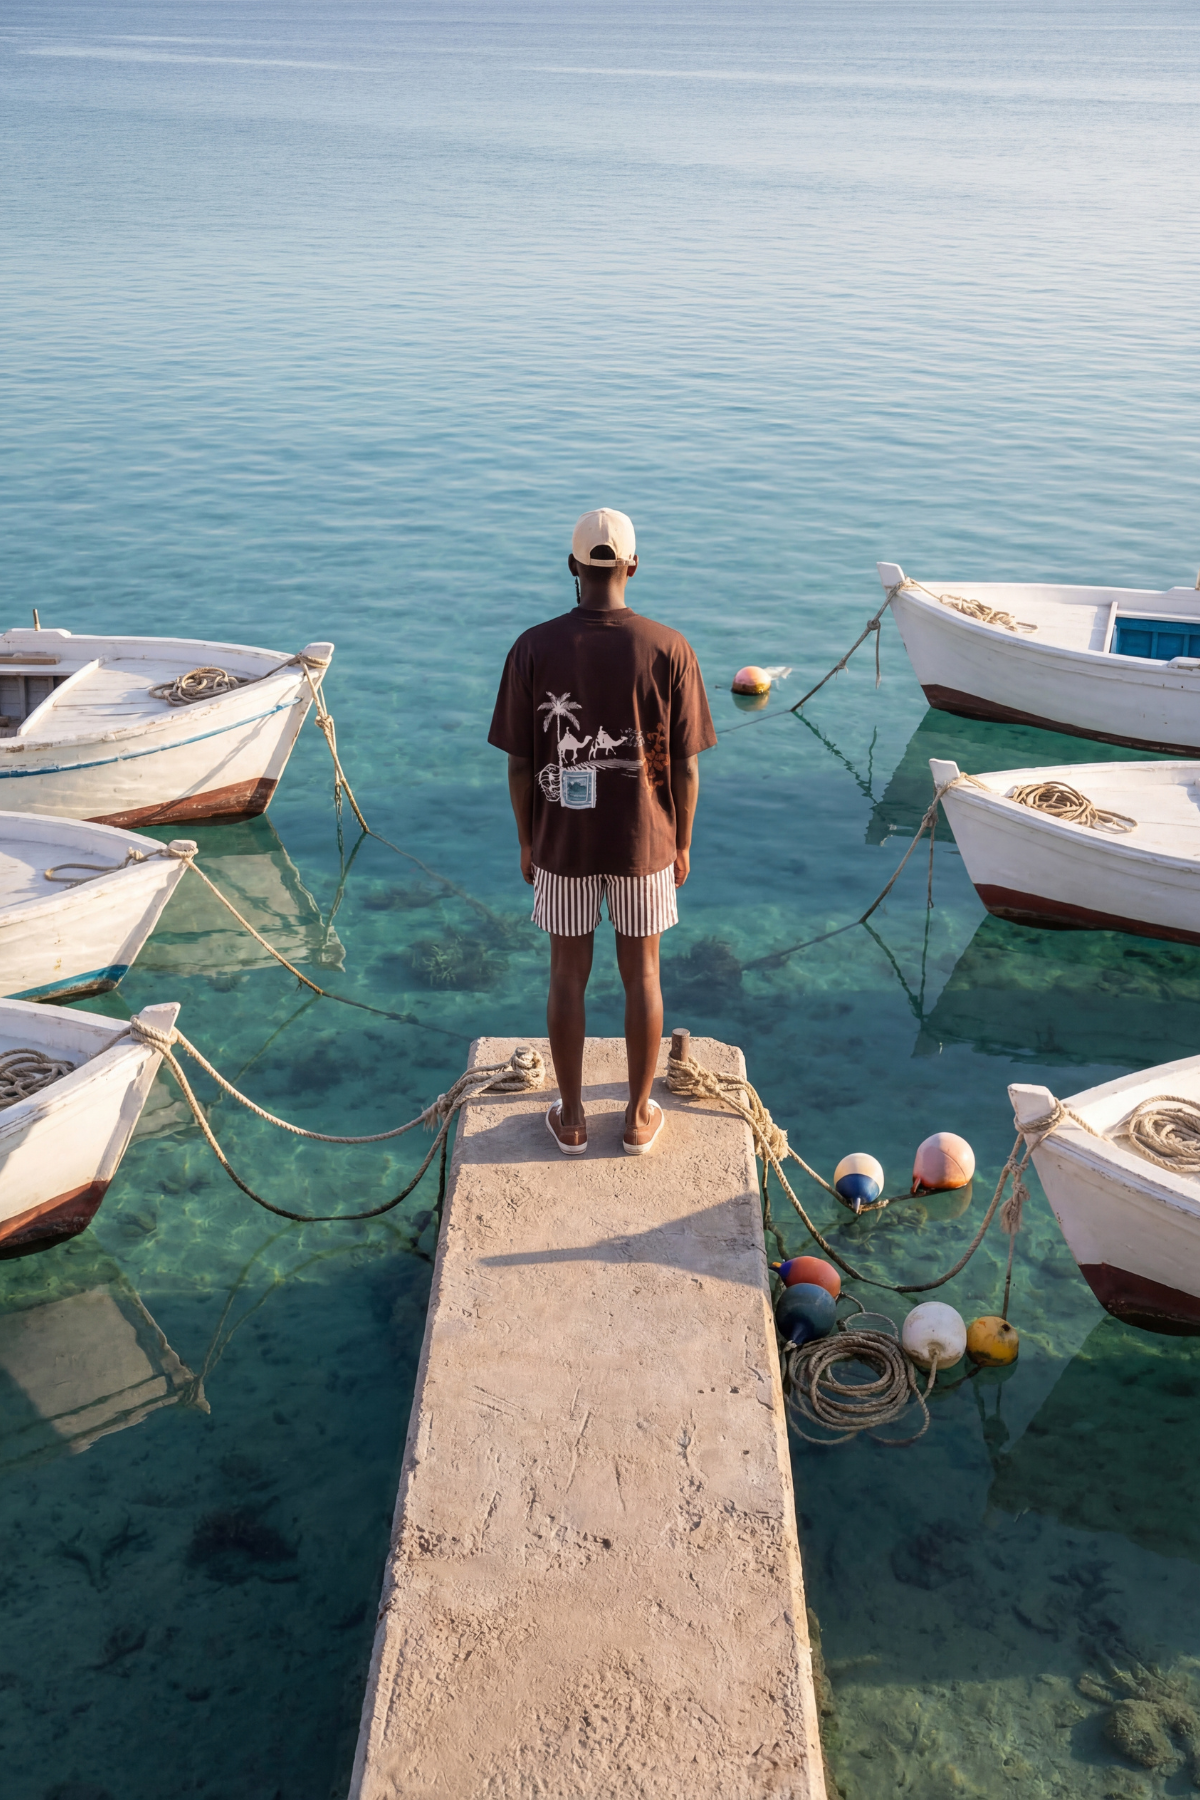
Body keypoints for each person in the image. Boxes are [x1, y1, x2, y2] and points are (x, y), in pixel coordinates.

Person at [489, 508, 717, 1155]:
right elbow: (688, 766)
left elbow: (519, 762)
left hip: (561, 840)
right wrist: (682, 841)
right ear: (632, 567)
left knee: (567, 975)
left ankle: (571, 1116)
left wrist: (529, 840)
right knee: (643, 975)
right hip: (646, 841)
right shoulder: (669, 648)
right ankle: (639, 1116)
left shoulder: (533, 647)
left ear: (573, 567)